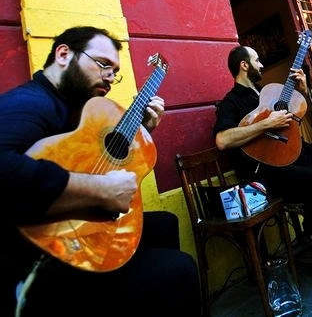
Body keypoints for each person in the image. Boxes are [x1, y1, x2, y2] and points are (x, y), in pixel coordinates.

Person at [0, 26, 201, 316]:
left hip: (66, 224)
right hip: (35, 264)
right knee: (181, 270)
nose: (109, 76)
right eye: (103, 64)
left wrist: (142, 131)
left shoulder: (72, 109)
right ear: (63, 54)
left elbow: (85, 155)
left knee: (164, 224)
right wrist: (101, 190)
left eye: (115, 71)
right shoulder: (33, 102)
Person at [213, 45, 312, 265]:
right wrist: (266, 124)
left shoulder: (268, 92)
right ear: (244, 65)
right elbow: (222, 140)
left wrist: (304, 92)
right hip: (269, 170)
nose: (261, 64)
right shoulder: (231, 102)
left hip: (299, 153)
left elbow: (307, 122)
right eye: (257, 60)